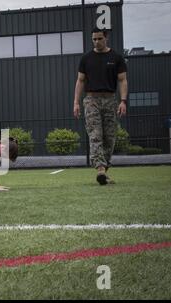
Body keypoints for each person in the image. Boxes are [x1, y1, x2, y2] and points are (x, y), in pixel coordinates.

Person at [73, 27, 128, 185]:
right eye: (94, 39)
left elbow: (123, 80)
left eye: (99, 39)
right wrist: (76, 102)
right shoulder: (86, 59)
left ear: (106, 38)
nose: (96, 42)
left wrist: (123, 101)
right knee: (95, 135)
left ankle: (103, 171)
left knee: (109, 138)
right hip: (91, 100)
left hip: (111, 100)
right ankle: (100, 170)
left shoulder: (116, 57)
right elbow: (80, 81)